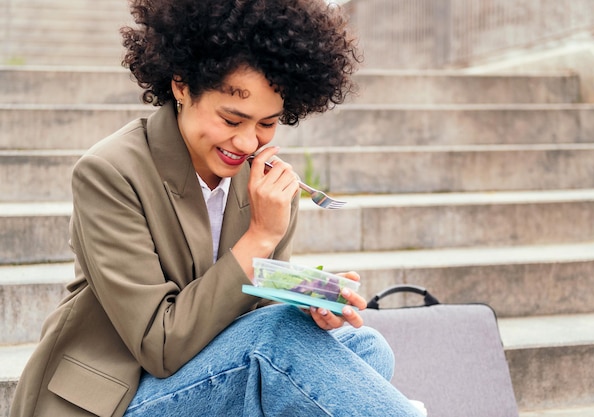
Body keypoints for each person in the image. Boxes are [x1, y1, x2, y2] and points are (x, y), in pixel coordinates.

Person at [10, 0, 425, 416]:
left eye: (267, 124)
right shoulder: (110, 173)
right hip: (117, 393)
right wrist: (260, 237)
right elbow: (162, 345)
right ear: (181, 85)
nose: (248, 143)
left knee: (366, 347)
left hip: (204, 372)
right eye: (231, 120)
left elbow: (251, 312)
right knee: (283, 344)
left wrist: (309, 302)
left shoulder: (263, 184)